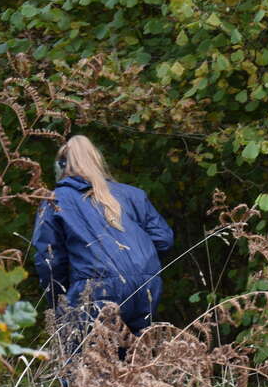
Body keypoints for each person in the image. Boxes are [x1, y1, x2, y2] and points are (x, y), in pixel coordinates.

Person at [31, 135, 173, 358]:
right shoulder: (133, 195)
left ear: (61, 166)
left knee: (84, 367)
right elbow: (163, 239)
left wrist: (59, 302)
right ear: (97, 161)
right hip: (145, 287)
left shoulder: (56, 199)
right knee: (135, 363)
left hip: (93, 288)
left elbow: (48, 259)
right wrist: (135, 262)